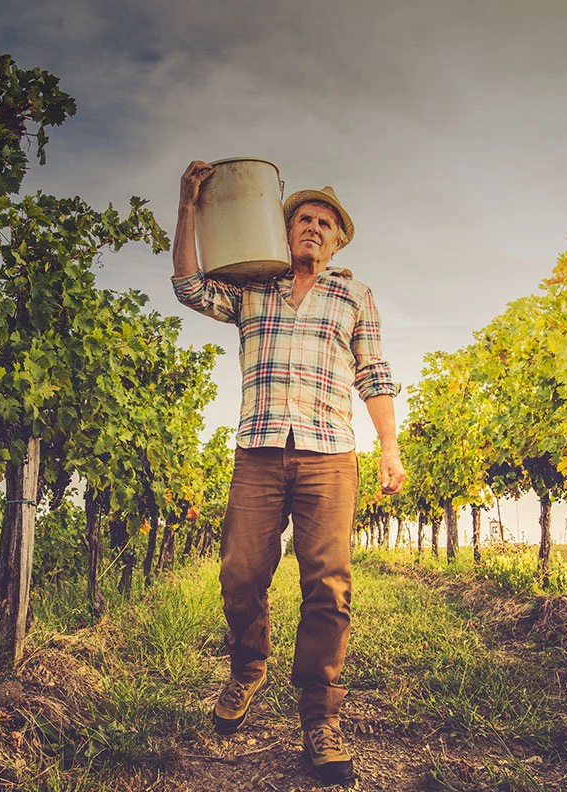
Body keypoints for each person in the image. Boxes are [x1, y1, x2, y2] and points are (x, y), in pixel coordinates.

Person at [171, 160, 406, 786]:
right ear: (286, 227)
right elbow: (188, 286)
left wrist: (389, 448)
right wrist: (188, 204)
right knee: (241, 573)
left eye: (326, 224)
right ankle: (248, 667)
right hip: (259, 449)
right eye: (304, 218)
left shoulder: (355, 296)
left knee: (328, 586)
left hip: (330, 453)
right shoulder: (253, 287)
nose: (314, 228)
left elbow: (374, 374)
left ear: (337, 241)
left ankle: (320, 718)